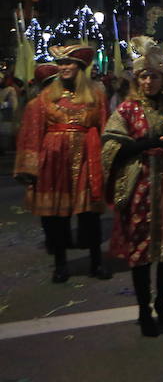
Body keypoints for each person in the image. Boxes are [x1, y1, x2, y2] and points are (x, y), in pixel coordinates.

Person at [100, 40, 163, 337]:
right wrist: (136, 147)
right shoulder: (127, 110)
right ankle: (144, 309)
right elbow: (110, 144)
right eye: (142, 76)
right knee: (142, 252)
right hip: (140, 187)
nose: (147, 81)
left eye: (153, 76)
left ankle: (162, 301)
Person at [15, 43, 110, 282]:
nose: (63, 67)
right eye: (61, 63)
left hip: (88, 158)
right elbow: (32, 132)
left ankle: (96, 262)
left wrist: (110, 159)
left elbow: (106, 128)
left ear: (80, 67)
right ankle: (60, 264)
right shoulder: (44, 98)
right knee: (57, 217)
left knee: (90, 216)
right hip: (53, 161)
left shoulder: (96, 96)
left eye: (68, 63)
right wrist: (30, 168)